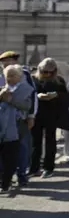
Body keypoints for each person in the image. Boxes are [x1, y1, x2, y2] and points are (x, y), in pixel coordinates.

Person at [0, 51, 37, 187]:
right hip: (3, 120)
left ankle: (22, 175)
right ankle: (5, 177)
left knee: (21, 148)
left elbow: (32, 99)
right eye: (3, 61)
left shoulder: (24, 75)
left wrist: (31, 116)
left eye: (7, 60)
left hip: (20, 119)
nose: (5, 64)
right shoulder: (1, 76)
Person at [30, 58, 69, 178]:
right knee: (35, 142)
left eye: (50, 72)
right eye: (44, 72)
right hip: (37, 113)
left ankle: (48, 167)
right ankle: (34, 167)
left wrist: (56, 95)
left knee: (50, 141)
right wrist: (38, 96)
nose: (47, 75)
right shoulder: (33, 79)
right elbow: (29, 94)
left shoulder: (58, 81)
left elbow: (67, 98)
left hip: (52, 114)